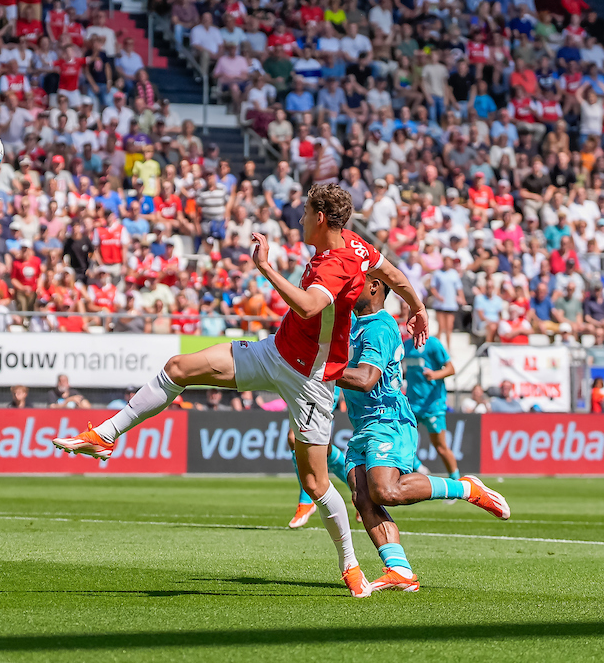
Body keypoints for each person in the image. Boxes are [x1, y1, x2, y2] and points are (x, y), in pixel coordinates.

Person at [54, 184, 429, 597]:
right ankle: (106, 436)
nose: (300, 218)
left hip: (311, 381)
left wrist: (265, 268)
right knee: (179, 367)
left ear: (320, 218)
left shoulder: (337, 264)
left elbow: (308, 306)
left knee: (317, 483)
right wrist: (419, 308)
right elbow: (393, 274)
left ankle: (350, 565)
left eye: (305, 212)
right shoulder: (358, 248)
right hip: (275, 351)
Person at [337, 276, 511, 592]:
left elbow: (365, 379)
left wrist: (318, 369)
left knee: (386, 491)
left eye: (355, 283)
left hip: (388, 419)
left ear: (374, 287)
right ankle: (400, 571)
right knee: (363, 497)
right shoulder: (353, 323)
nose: (348, 288)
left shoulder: (379, 326)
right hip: (363, 424)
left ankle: (465, 488)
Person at [403, 335, 459, 479]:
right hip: (412, 404)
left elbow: (451, 369)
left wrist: (435, 374)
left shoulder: (433, 343)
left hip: (432, 404)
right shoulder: (407, 345)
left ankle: (457, 482)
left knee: (440, 447)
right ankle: (419, 467)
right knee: (402, 439)